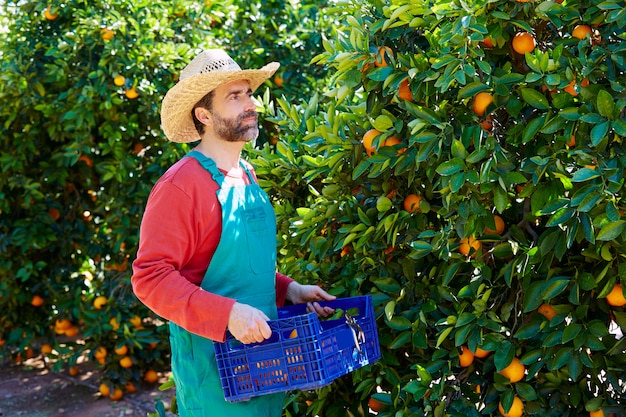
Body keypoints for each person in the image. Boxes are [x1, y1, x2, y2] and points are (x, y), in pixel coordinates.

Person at [131, 49, 336, 417]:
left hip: (266, 361)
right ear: (204, 114)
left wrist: (288, 289)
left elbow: (240, 267)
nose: (250, 104)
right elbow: (150, 278)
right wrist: (226, 315)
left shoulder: (247, 175)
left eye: (249, 93)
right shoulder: (181, 186)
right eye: (235, 96)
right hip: (214, 374)